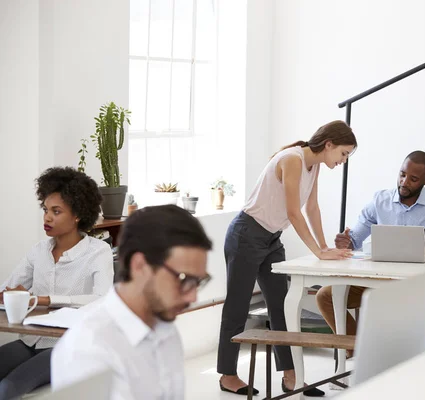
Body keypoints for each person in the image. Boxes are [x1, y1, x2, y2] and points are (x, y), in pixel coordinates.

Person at [218, 120, 357, 396]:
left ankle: (291, 376)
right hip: (247, 233)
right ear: (328, 145)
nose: (343, 160)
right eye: (343, 153)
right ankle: (227, 375)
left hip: (270, 238)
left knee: (282, 307)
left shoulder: (313, 165)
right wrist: (317, 252)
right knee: (237, 306)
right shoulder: (293, 159)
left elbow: (312, 207)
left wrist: (324, 246)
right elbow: (294, 212)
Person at [51, 205, 212, 399]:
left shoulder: (166, 330)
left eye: (198, 282)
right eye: (184, 279)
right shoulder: (87, 350)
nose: (193, 297)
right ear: (139, 266)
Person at [316, 151, 425, 350]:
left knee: (393, 315)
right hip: (375, 282)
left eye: (413, 179)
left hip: (414, 287)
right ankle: (359, 351)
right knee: (324, 296)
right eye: (402, 174)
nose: (404, 182)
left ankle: (377, 356)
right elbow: (354, 240)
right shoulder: (380, 200)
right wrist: (346, 242)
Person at [0, 167, 113, 399]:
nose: (47, 217)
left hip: (70, 346)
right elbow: (7, 290)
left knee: (7, 388)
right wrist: (10, 294)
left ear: (77, 215)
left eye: (56, 211)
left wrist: (44, 300)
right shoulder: (38, 251)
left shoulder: (97, 252)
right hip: (31, 339)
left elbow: (102, 299)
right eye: (45, 210)